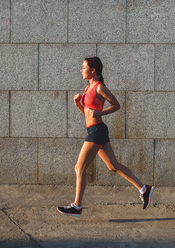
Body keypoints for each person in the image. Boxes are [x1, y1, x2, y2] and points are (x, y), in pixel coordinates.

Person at [57, 57, 153, 217]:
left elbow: (117, 105)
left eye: (83, 67)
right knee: (113, 166)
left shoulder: (100, 88)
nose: (81, 70)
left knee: (79, 168)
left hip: (97, 131)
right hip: (94, 130)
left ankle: (77, 207)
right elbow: (88, 115)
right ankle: (144, 189)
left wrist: (101, 113)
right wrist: (78, 105)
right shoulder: (88, 89)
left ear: (93, 70)